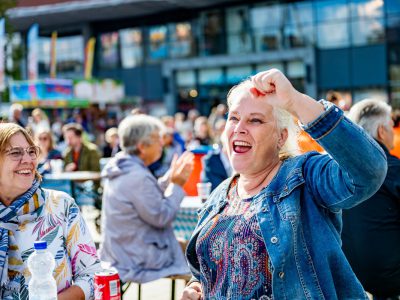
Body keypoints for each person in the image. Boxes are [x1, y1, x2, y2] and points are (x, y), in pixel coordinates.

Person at [181, 69, 387, 300]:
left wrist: (295, 101)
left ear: (281, 137)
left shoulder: (304, 177)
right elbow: (205, 270)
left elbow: (368, 172)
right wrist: (196, 287)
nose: (239, 127)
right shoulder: (220, 195)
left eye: (255, 120)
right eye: (234, 118)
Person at [0, 123, 101, 300]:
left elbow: (93, 276)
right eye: (16, 153)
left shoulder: (61, 206)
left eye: (32, 151)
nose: (28, 159)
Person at [99, 114, 194, 284]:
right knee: (199, 249)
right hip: (137, 258)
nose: (161, 144)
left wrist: (169, 179)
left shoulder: (122, 168)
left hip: (121, 251)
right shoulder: (136, 176)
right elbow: (162, 216)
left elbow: (147, 196)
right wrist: (177, 185)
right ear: (142, 147)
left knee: (187, 246)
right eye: (158, 139)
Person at [341, 99, 400, 299]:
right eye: (391, 127)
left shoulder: (338, 171)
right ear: (382, 131)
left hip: (349, 280)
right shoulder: (392, 169)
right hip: (390, 283)